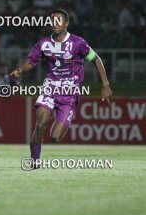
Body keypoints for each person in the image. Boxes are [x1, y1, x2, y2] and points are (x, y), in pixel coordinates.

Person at [10, 9, 112, 168]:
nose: (54, 23)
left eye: (58, 21)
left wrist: (105, 85)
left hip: (70, 94)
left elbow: (96, 59)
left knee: (56, 136)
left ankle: (59, 122)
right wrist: (20, 70)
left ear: (66, 24)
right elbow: (31, 61)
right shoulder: (44, 43)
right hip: (50, 88)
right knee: (40, 122)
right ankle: (35, 162)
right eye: (51, 20)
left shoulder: (78, 43)